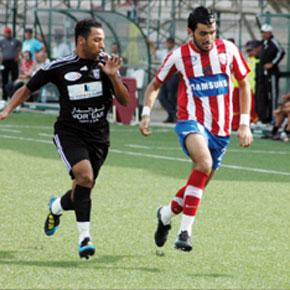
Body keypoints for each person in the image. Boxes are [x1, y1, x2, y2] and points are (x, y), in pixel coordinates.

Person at [0, 18, 129, 259]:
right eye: (97, 39)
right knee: (85, 177)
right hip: (69, 134)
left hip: (99, 137)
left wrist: (113, 76)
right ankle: (85, 239)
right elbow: (27, 88)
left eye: (103, 39)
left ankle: (56, 207)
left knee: (81, 190)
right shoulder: (59, 66)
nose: (102, 45)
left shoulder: (106, 65)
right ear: (81, 40)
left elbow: (124, 101)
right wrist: (7, 110)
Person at [139, 6, 253, 252]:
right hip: (191, 122)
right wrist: (146, 114)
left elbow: (244, 85)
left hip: (221, 130)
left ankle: (166, 214)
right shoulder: (179, 56)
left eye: (212, 32)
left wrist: (244, 123)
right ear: (190, 31)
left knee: (197, 184)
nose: (208, 38)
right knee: (203, 164)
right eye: (203, 33)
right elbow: (154, 85)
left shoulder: (229, 50)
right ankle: (185, 232)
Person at [255, 24, 285, 124]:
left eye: (264, 32)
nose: (263, 34)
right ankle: (265, 118)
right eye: (262, 32)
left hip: (272, 74)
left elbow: (281, 51)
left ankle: (274, 118)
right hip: (263, 74)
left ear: (269, 33)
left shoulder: (273, 42)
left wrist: (272, 63)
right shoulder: (264, 43)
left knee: (273, 95)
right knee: (263, 95)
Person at [156, 37, 179, 123]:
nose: (167, 45)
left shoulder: (176, 52)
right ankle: (172, 114)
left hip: (173, 76)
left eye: (169, 43)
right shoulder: (164, 52)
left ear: (173, 44)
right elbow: (155, 53)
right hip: (164, 76)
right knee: (162, 97)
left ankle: (172, 116)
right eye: (167, 43)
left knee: (171, 96)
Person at [0, 26, 22, 100]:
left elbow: (19, 47)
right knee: (4, 80)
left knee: (15, 79)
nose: (8, 34)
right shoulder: (2, 41)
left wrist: (18, 55)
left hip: (13, 62)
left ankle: (14, 96)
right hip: (5, 62)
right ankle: (4, 97)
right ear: (4, 33)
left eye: (9, 33)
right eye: (6, 33)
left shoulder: (15, 41)